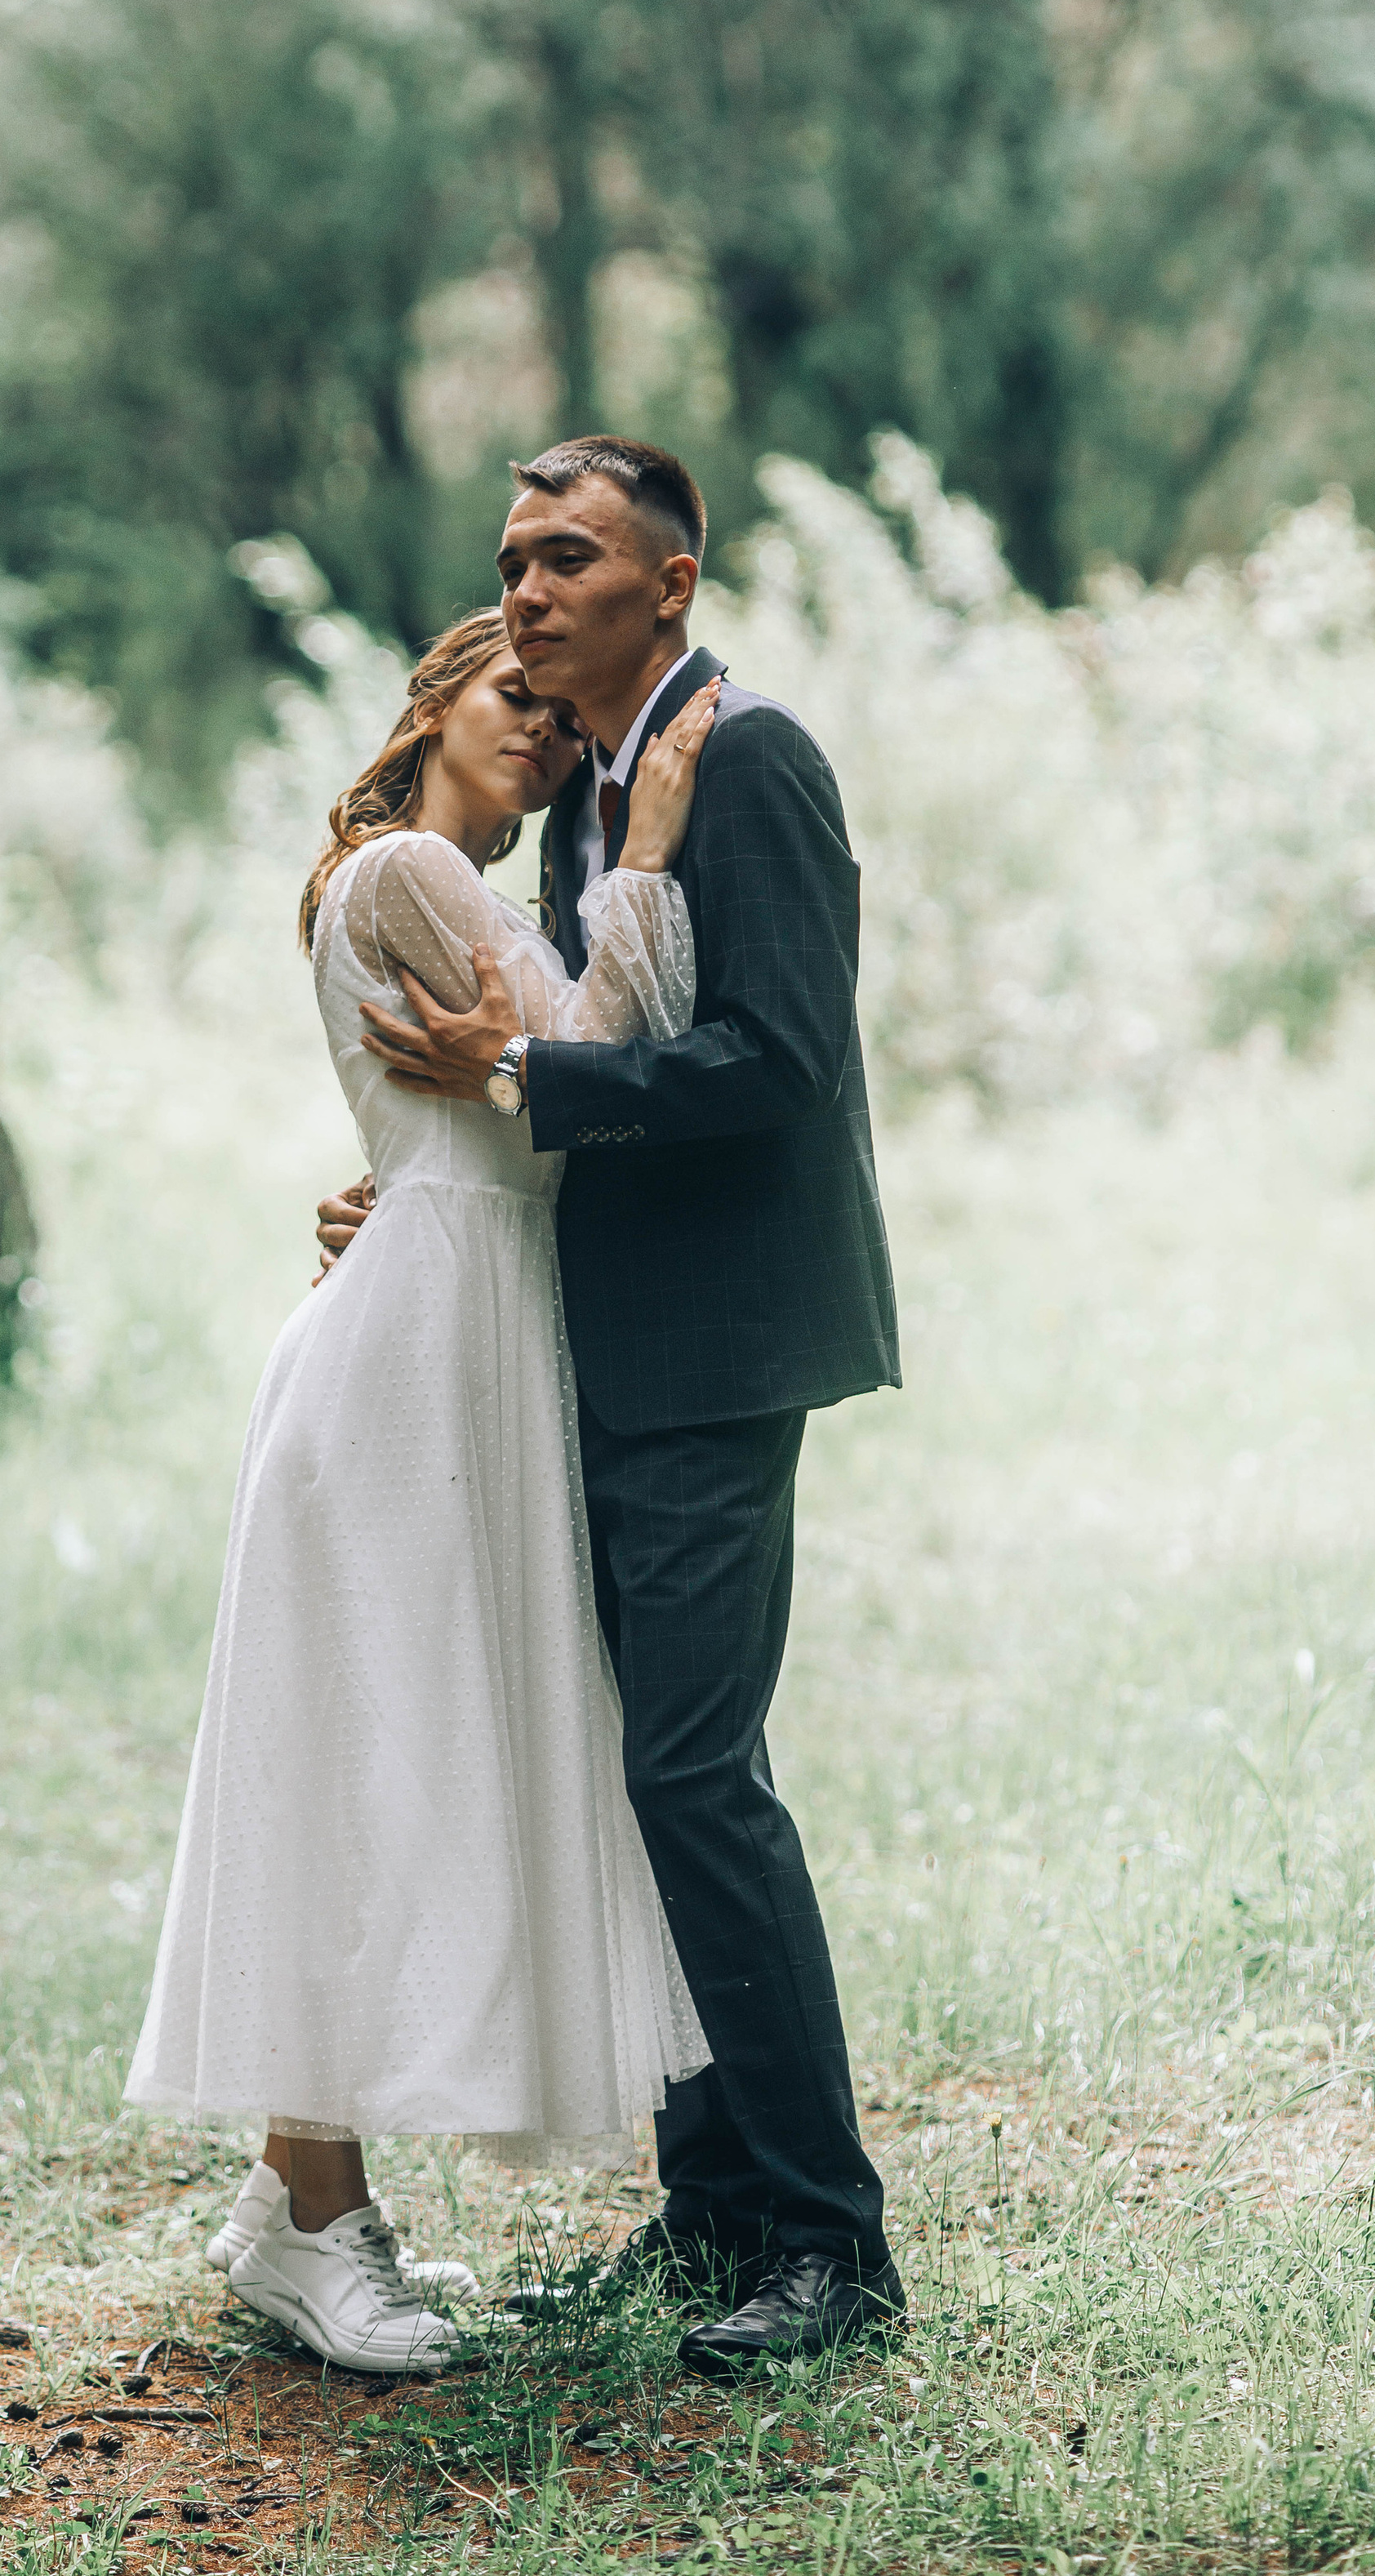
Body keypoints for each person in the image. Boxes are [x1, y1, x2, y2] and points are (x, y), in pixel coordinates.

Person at [320, 435, 905, 2377]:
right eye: (509, 558)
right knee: (636, 1780)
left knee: (690, 1780)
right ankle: (708, 2219)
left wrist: (527, 1090)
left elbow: (778, 1059)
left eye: (568, 555)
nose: (530, 587)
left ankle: (825, 2243)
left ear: (672, 574)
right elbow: (572, 1031)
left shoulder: (746, 758)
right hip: (586, 1347)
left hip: (717, 1356)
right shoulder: (584, 793)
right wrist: (418, 1176)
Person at [124, 608, 722, 2375]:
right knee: (353, 1762)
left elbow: (524, 1099)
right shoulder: (404, 869)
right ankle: (313, 2222)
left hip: (465, 1338)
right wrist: (657, 851)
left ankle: (289, 2206)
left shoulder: (474, 893)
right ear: (432, 702)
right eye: (510, 695)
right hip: (400, 1371)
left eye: (558, 713)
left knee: (396, 1758)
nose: (540, 727)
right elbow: (598, 1059)